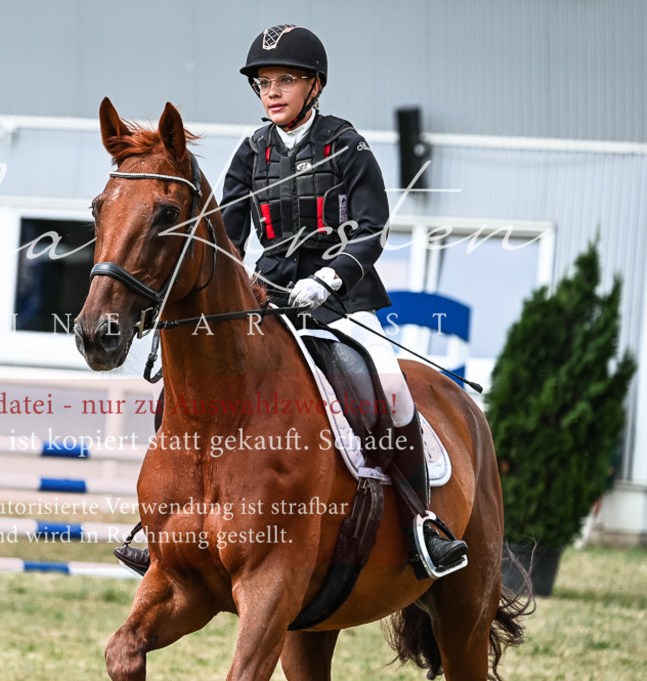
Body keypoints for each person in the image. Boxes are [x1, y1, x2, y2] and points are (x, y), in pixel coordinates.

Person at [114, 24, 467, 579]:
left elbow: (372, 228)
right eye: (263, 82)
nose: (272, 91)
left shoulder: (346, 145)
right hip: (267, 300)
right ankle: (166, 524)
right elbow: (223, 239)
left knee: (391, 392)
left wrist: (327, 279)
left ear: (315, 85)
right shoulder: (251, 152)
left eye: (286, 80)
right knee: (176, 396)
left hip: (341, 303)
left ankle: (423, 523)